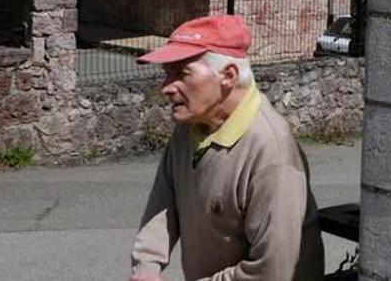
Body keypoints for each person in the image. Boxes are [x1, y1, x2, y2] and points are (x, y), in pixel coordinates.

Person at [128, 15, 324, 281]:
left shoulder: (271, 150)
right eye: (167, 74)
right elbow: (164, 202)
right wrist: (146, 266)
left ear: (227, 76)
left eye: (181, 73)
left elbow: (272, 271)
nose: (166, 88)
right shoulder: (191, 126)